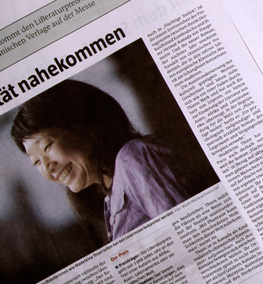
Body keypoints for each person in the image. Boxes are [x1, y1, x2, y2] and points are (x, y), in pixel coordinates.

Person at [10, 80, 217, 242]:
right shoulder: (110, 196)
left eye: (47, 146)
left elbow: (194, 232)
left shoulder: (132, 158)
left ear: (82, 127)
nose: (47, 167)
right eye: (36, 162)